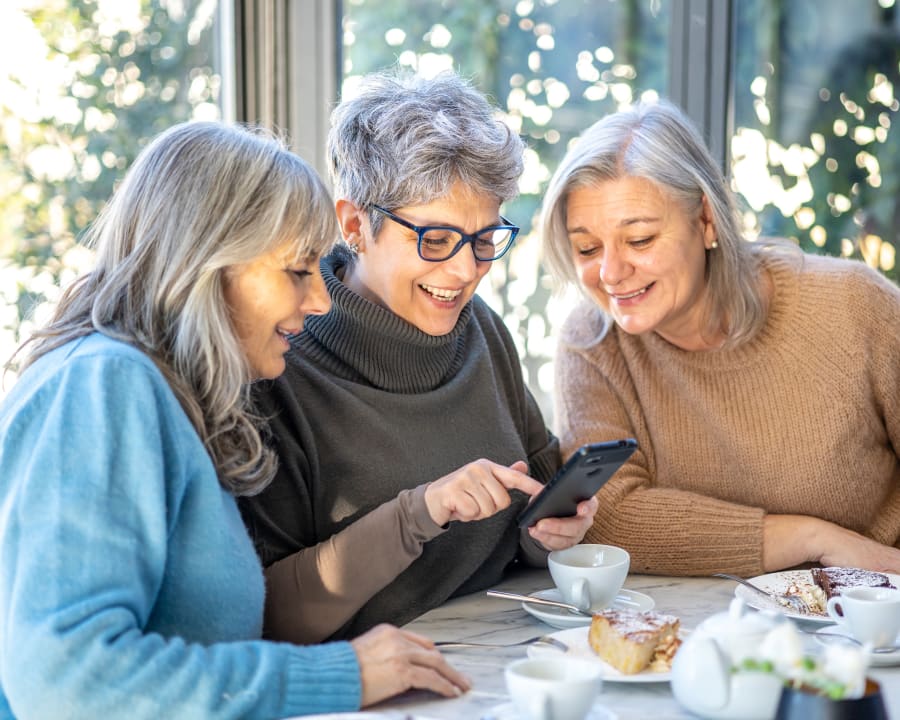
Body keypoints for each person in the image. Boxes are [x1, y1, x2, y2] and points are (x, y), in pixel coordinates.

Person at [0, 121, 470, 720]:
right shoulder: (101, 386)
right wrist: (339, 674)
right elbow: (68, 680)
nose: (321, 299)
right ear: (209, 265)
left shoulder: (174, 401)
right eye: (298, 271)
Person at [239, 69, 598, 644]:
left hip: (501, 656)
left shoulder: (480, 328)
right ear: (356, 224)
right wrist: (421, 512)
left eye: (484, 240)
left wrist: (550, 530)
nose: (465, 272)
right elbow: (269, 618)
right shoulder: (277, 366)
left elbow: (527, 522)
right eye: (434, 240)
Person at [539, 99, 900, 579]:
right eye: (587, 247)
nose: (610, 272)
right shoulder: (592, 342)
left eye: (640, 239)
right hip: (698, 630)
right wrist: (814, 537)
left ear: (706, 220)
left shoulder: (856, 307)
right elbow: (610, 515)